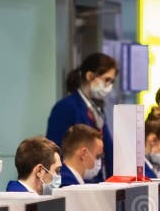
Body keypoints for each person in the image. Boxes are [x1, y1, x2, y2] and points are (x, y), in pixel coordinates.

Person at [46, 53, 118, 182]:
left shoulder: (97, 110)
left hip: (97, 182)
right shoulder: (66, 107)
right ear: (90, 76)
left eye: (112, 81)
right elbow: (54, 152)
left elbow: (107, 149)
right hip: (72, 183)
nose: (109, 86)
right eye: (107, 80)